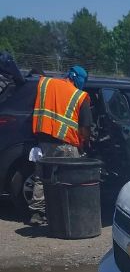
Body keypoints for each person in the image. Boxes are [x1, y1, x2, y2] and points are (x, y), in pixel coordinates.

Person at [28, 66, 93, 225]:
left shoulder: (47, 84)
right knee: (69, 180)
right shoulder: (81, 96)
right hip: (67, 144)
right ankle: (67, 213)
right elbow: (84, 128)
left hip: (44, 141)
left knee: (42, 177)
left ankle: (37, 214)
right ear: (79, 79)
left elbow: (36, 74)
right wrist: (84, 144)